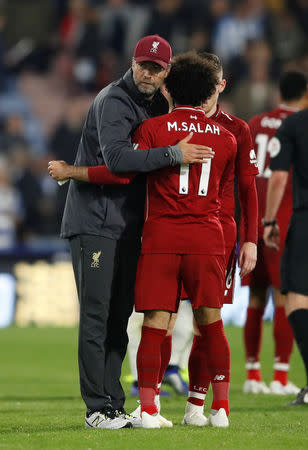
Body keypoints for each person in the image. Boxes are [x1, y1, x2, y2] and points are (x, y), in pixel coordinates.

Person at [48, 35, 214, 430]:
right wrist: (174, 154)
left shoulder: (153, 103)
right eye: (143, 65)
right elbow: (119, 160)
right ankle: (96, 409)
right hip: (94, 222)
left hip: (126, 225)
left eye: (156, 69)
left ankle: (114, 404)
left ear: (166, 72)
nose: (147, 73)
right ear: (132, 62)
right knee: (96, 316)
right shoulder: (114, 101)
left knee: (119, 316)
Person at [132, 50, 237, 429]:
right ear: (210, 91)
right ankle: (219, 409)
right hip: (207, 237)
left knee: (156, 324)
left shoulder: (152, 130)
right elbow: (224, 197)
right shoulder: (227, 138)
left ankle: (148, 410)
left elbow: (128, 172)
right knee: (211, 323)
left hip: (160, 234)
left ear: (169, 90)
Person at [241, 71, 308, 395]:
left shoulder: (256, 122)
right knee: (286, 297)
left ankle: (252, 374)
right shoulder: (300, 126)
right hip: (282, 219)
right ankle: (281, 375)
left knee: (255, 297)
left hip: (253, 218)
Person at [263, 101, 308, 406]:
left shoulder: (294, 125)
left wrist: (269, 220)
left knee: (295, 300)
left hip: (306, 220)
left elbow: (278, 177)